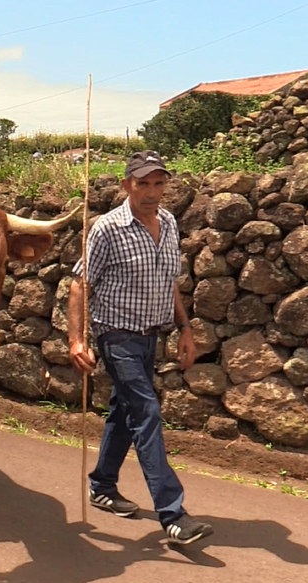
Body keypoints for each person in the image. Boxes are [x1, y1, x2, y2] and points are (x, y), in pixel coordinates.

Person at [67, 150, 213, 546]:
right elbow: (81, 284)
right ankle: (173, 514)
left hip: (152, 336)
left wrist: (184, 329)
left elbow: (171, 284)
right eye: (143, 183)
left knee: (124, 412)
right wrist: (77, 339)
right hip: (117, 337)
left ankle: (102, 485)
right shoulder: (107, 229)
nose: (152, 192)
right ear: (126, 184)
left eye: (158, 183)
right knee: (146, 414)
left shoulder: (168, 223)